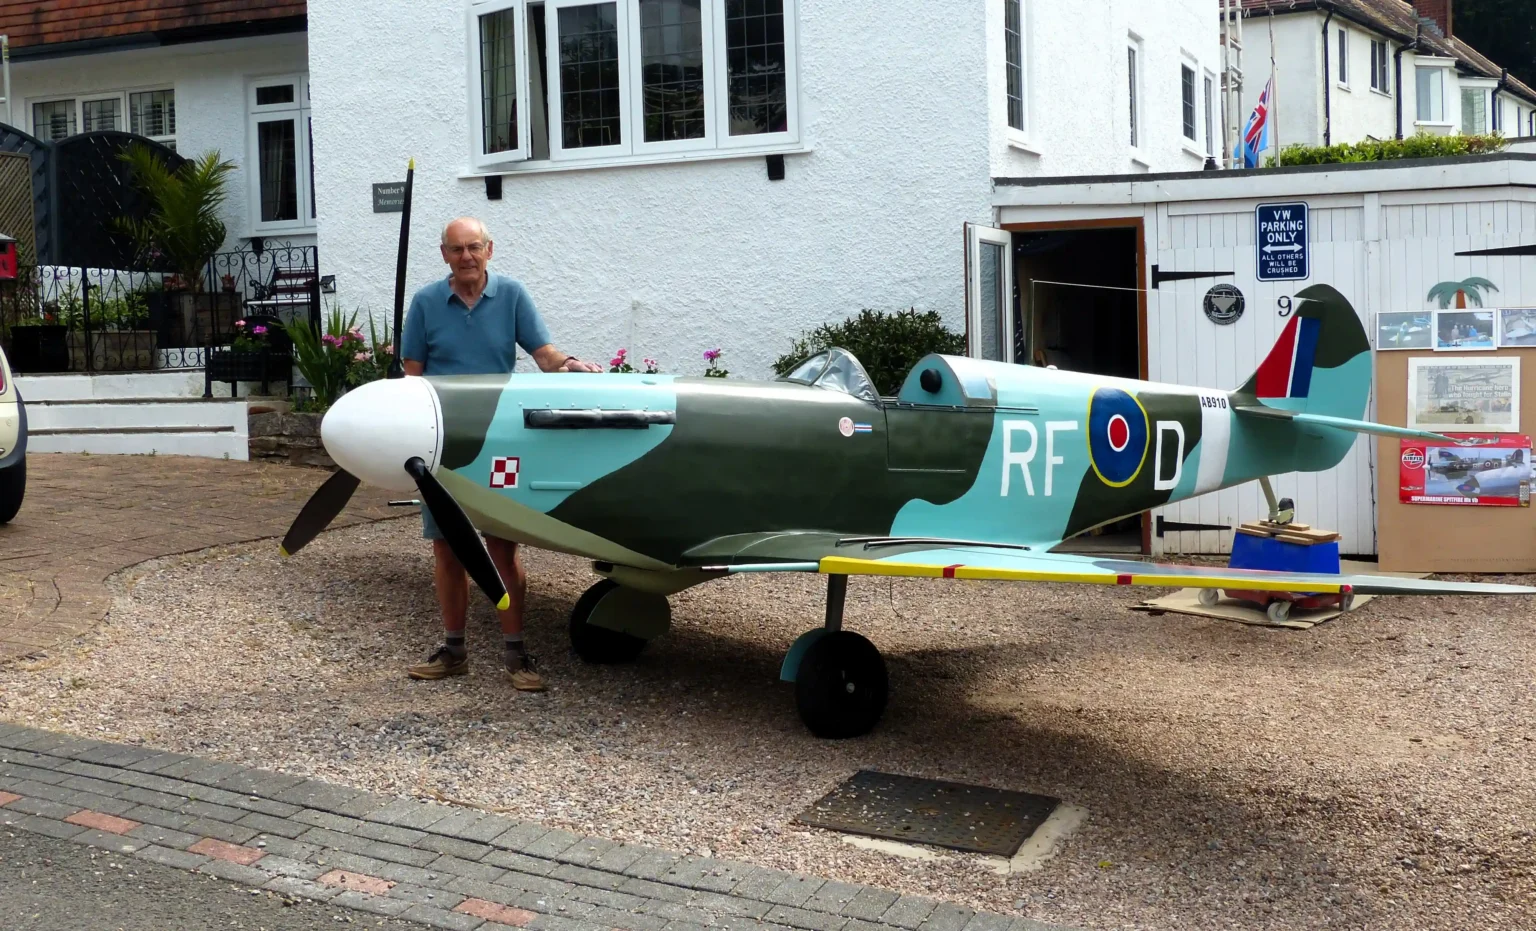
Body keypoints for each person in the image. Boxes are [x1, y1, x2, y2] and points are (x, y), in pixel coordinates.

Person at [399, 216, 602, 691]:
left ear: (490, 249)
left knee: (501, 552)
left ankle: (516, 655)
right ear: (444, 254)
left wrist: (570, 366)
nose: (466, 256)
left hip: (498, 444)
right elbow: (411, 375)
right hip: (442, 444)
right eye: (457, 249)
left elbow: (545, 355)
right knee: (447, 550)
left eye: (474, 247)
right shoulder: (426, 303)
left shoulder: (511, 295)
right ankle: (453, 651)